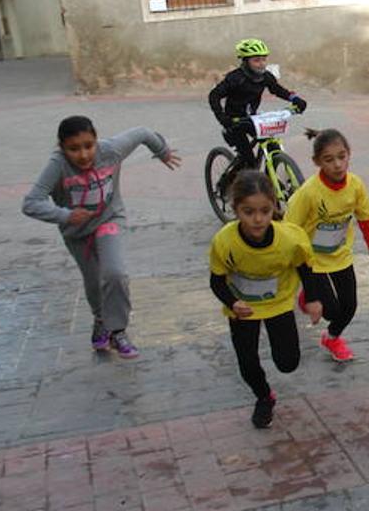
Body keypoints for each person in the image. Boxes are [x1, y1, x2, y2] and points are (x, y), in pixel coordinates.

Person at [22, 115, 181, 359]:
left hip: (109, 220)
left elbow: (142, 132)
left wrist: (162, 151)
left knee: (115, 273)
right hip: (77, 232)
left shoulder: (111, 150)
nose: (84, 155)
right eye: (74, 149)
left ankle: (118, 331)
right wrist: (64, 215)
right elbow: (31, 203)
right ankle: (100, 319)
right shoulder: (58, 165)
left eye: (88, 146)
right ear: (62, 148)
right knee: (94, 280)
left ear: (96, 141)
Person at [209, 170, 322, 428]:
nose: (258, 220)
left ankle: (276, 370)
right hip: (243, 308)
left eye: (265, 211)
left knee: (288, 363)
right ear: (236, 209)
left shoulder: (290, 238)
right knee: (247, 364)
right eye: (248, 212)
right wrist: (232, 302)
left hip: (278, 302)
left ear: (274, 208)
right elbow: (216, 281)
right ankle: (264, 396)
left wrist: (312, 299)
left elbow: (305, 267)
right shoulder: (224, 242)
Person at [283, 128, 369, 363]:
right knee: (331, 310)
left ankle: (331, 337)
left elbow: (367, 217)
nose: (338, 165)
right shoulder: (308, 193)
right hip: (312, 260)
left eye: (342, 156)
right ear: (317, 162)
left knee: (349, 307)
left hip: (340, 255)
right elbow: (289, 229)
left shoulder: (356, 185)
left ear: (349, 154)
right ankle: (308, 296)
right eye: (329, 160)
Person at [208, 39, 308, 169]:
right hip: (234, 123)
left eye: (263, 59)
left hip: (252, 120)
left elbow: (277, 90)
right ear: (245, 61)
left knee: (273, 146)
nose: (261, 64)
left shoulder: (266, 76)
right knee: (248, 160)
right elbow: (214, 96)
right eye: (256, 60)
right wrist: (222, 118)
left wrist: (295, 99)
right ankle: (236, 182)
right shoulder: (235, 78)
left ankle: (271, 179)